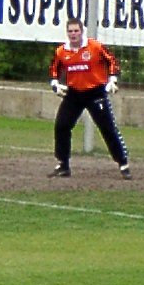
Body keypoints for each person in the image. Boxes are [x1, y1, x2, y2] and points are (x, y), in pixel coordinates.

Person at [49, 17, 131, 180]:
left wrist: (112, 79)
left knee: (107, 128)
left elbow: (112, 61)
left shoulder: (95, 47)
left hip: (95, 93)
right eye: (70, 31)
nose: (73, 34)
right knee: (62, 126)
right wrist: (55, 84)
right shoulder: (61, 52)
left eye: (76, 31)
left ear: (82, 31)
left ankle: (123, 163)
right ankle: (63, 164)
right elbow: (54, 70)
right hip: (74, 94)